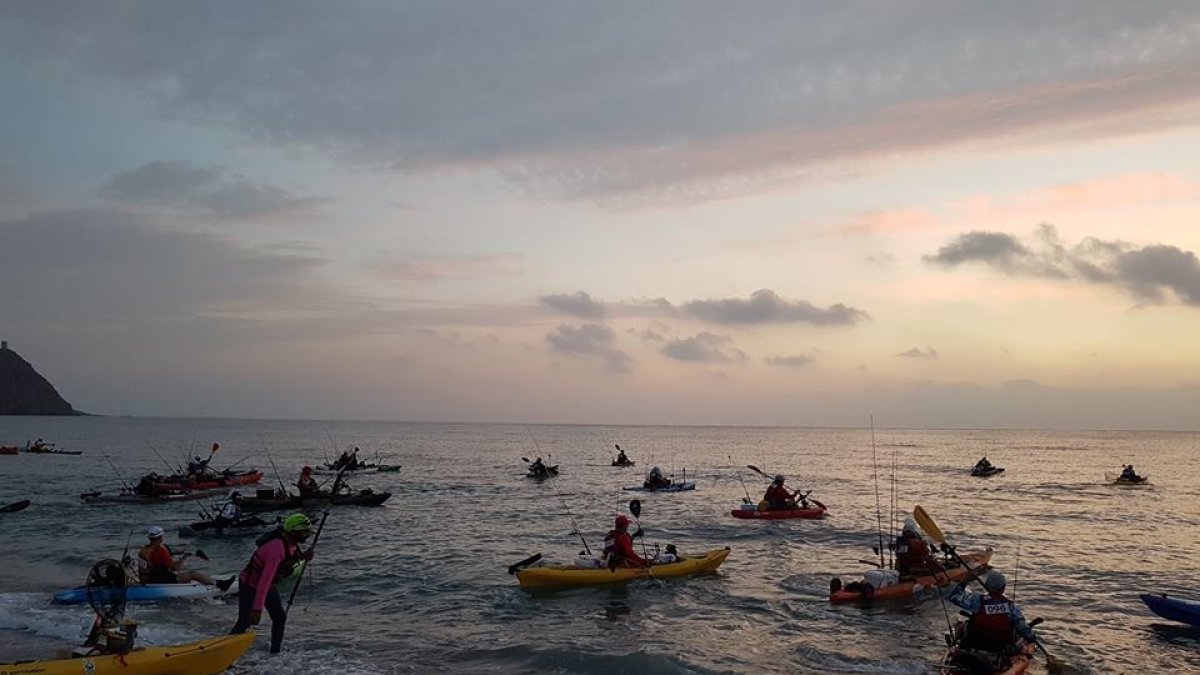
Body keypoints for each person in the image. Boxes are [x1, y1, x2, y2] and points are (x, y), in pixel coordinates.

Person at [229, 513, 315, 653]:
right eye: (305, 532)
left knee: (280, 617)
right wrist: (257, 609)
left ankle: (275, 653)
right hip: (250, 584)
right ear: (293, 532)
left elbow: (292, 559)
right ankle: (224, 653)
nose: (308, 535)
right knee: (245, 621)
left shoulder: (292, 544)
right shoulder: (277, 549)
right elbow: (264, 580)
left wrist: (305, 557)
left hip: (267, 586)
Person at [948, 570, 1037, 655]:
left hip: (975, 643)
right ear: (1003, 588)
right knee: (1016, 634)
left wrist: (965, 581)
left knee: (963, 625)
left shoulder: (976, 600)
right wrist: (1031, 639)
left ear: (987, 586)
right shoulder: (1011, 606)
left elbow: (954, 596)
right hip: (1000, 647)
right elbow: (1022, 627)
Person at [138, 526, 215, 585]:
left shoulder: (144, 549)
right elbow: (175, 567)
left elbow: (155, 561)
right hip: (160, 581)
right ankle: (217, 584)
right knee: (192, 574)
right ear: (161, 537)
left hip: (147, 580)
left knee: (179, 574)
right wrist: (184, 558)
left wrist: (177, 553)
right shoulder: (160, 550)